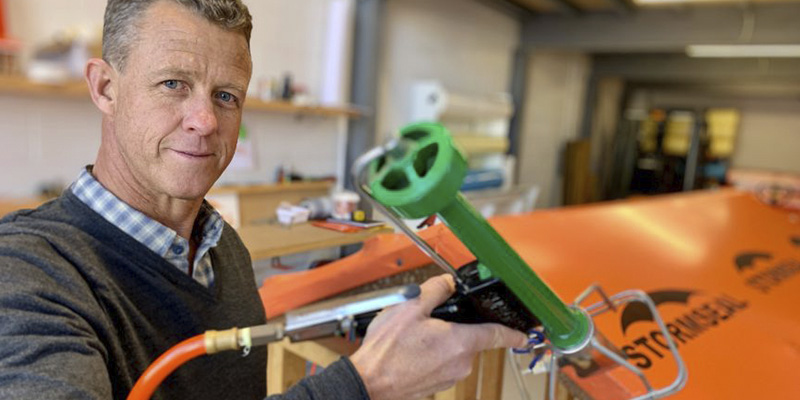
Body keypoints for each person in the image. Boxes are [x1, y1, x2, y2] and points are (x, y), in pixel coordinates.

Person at [0, 0, 527, 399]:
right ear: (106, 88)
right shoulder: (28, 273)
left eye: (226, 96)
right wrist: (364, 384)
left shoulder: (221, 247)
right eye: (172, 84)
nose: (205, 121)